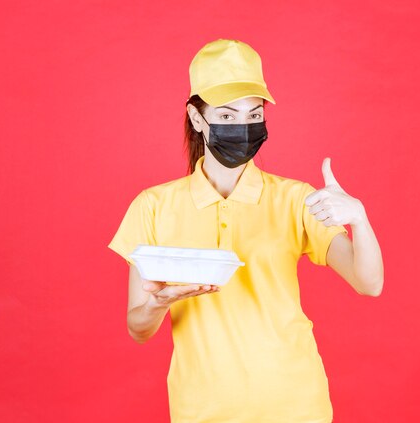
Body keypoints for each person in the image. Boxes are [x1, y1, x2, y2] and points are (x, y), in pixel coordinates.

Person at [107, 38, 384, 423]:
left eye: (254, 115)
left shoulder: (293, 199)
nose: (242, 126)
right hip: (201, 409)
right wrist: (158, 303)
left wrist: (359, 217)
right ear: (196, 118)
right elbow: (137, 328)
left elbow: (368, 282)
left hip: (296, 405)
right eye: (226, 116)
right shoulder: (153, 207)